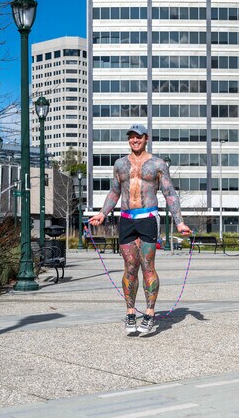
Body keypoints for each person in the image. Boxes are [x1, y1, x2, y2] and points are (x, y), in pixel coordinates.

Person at [89, 123, 191, 335]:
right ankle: (130, 313)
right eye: (131, 137)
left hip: (148, 218)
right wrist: (102, 213)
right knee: (130, 266)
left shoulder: (158, 164)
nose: (134, 140)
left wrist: (179, 221)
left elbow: (169, 193)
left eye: (138, 137)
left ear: (146, 138)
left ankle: (150, 313)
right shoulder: (120, 164)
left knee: (148, 266)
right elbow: (114, 192)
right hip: (126, 218)